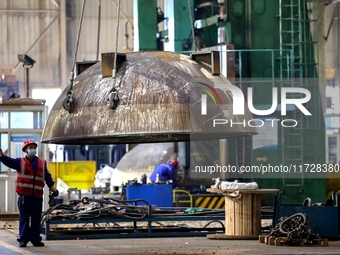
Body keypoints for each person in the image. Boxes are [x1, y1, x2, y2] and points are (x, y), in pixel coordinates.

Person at [0, 139, 58, 248]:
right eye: (30, 147)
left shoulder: (42, 162)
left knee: (36, 218)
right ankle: (23, 240)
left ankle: (36, 239)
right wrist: (2, 157)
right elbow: (9, 161)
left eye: (34, 147)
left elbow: (47, 176)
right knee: (24, 218)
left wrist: (52, 187)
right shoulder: (20, 162)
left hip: (37, 196)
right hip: (24, 196)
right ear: (25, 150)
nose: (32, 149)